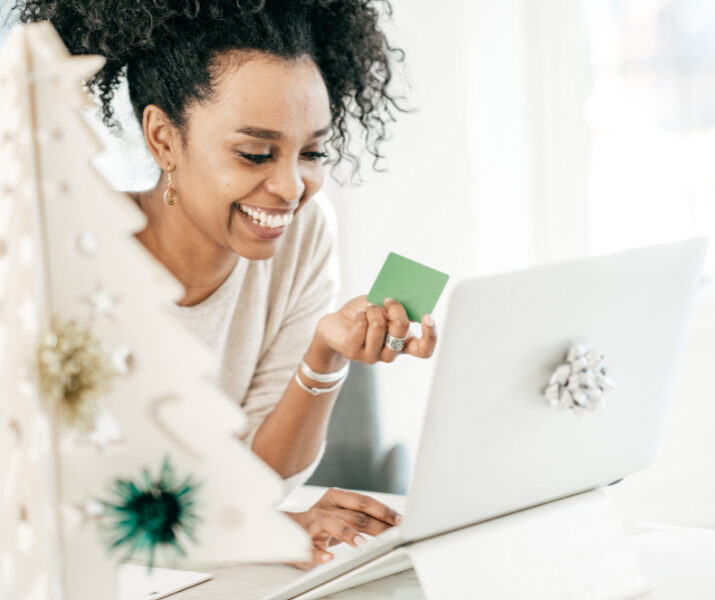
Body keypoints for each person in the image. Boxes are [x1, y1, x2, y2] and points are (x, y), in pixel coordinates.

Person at [14, 0, 435, 567]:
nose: (290, 187)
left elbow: (261, 480)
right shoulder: (65, 254)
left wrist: (325, 355)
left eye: (312, 151)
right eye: (256, 153)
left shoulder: (304, 232)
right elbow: (47, 503)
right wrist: (261, 534)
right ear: (163, 139)